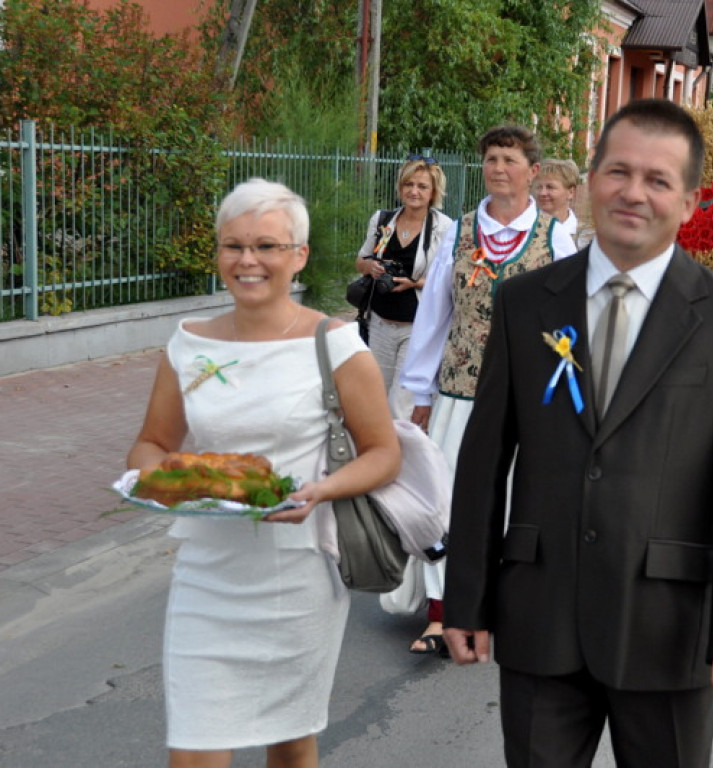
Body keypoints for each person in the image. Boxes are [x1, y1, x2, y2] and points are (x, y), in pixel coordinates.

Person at [442, 99, 713, 765]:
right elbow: (484, 460)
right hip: (540, 615)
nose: (633, 193)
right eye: (618, 172)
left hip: (669, 630)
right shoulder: (525, 302)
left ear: (689, 202)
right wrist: (463, 598)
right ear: (589, 182)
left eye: (658, 181)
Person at [127, 178, 401, 768]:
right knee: (194, 750)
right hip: (206, 573)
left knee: (291, 744)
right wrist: (174, 483)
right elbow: (151, 445)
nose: (248, 260)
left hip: (297, 573)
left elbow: (383, 453)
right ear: (219, 253)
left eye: (267, 246)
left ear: (298, 255)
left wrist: (322, 489)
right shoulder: (188, 344)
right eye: (234, 245)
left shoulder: (336, 345)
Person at [399, 125, 577, 656]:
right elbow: (434, 316)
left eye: (510, 159)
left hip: (529, 398)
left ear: (533, 172)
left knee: (520, 503)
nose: (499, 168)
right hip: (460, 389)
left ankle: (507, 607)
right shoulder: (457, 233)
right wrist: (421, 392)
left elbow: (571, 325)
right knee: (450, 500)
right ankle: (441, 611)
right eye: (491, 158)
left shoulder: (555, 238)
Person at [354, 156, 453, 418]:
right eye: (408, 184)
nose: (414, 191)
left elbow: (450, 279)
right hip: (380, 322)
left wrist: (415, 283)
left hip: (416, 326)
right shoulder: (383, 220)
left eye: (422, 186)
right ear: (400, 187)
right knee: (376, 399)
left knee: (401, 404)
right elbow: (360, 259)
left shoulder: (444, 228)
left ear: (433, 193)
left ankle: (404, 456)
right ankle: (381, 453)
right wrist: (370, 267)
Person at [533, 158, 581, 242]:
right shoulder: (526, 233)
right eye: (539, 187)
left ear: (571, 192)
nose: (542, 193)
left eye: (550, 187)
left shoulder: (585, 237)